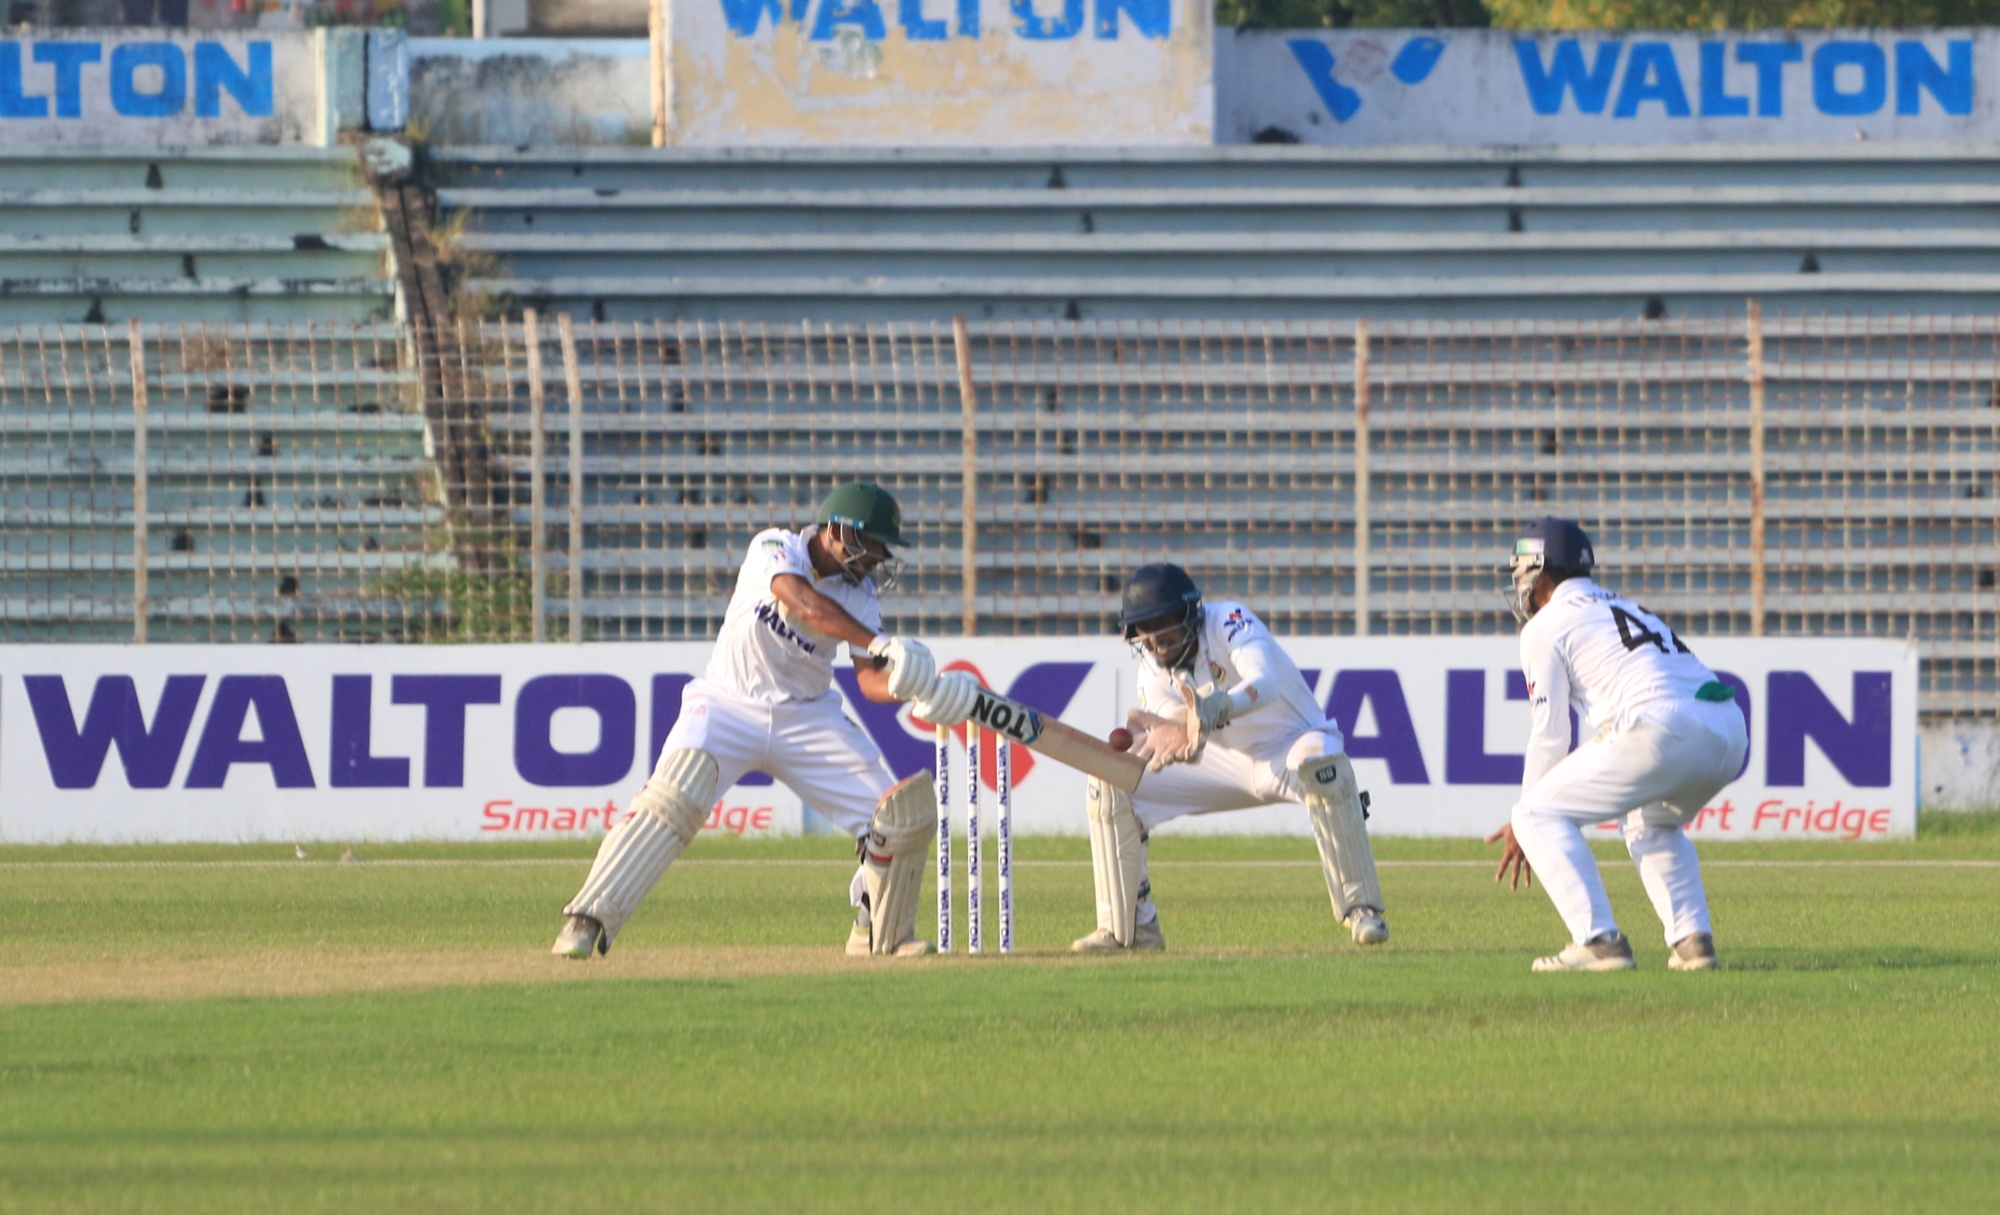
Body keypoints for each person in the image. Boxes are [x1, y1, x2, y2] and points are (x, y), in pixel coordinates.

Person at [550, 482, 981, 960]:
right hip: (726, 704)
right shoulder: (775, 546)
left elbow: (868, 681)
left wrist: (915, 686)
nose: (878, 557)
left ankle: (876, 930)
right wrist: (879, 643)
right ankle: (587, 919)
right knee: (673, 796)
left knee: (897, 818)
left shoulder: (861, 596)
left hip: (806, 717)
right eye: (873, 543)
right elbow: (802, 601)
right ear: (840, 531)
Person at [1072, 563, 1389, 952]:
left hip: (1287, 746)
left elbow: (1265, 685)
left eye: (1162, 624)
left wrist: (1220, 707)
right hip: (1224, 762)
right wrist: (1177, 730)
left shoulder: (1229, 620)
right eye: (1143, 631)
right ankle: (1131, 930)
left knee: (1321, 760)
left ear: (1189, 613)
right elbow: (1179, 731)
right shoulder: (1150, 673)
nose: (1154, 642)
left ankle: (1362, 910)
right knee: (1110, 779)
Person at [1486, 517, 1748, 972]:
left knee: (1535, 813)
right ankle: (1692, 943)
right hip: (1727, 726)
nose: (1518, 585)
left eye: (1521, 572)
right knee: (1651, 824)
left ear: (1541, 572)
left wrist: (1524, 819)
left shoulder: (1545, 626)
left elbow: (1551, 734)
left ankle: (1598, 940)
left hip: (1663, 726)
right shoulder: (1620, 603)